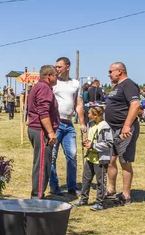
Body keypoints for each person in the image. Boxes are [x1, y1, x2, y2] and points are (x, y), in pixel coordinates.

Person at [49, 57, 86, 197]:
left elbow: (79, 104)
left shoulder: (75, 83)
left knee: (72, 155)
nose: (57, 69)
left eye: (59, 67)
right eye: (56, 66)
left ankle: (72, 186)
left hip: (69, 125)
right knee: (52, 156)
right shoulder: (53, 83)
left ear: (67, 67)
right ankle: (54, 186)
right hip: (55, 124)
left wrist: (82, 123)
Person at [105, 62, 141, 205]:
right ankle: (111, 189)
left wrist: (126, 126)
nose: (109, 74)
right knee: (110, 159)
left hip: (124, 129)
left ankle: (126, 195)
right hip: (112, 128)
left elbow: (135, 104)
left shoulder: (129, 85)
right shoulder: (117, 86)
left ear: (119, 71)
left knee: (124, 161)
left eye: (110, 71)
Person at [27, 65, 59, 199]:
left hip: (39, 129)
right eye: (56, 75)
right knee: (41, 164)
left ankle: (39, 194)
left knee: (44, 163)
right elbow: (43, 112)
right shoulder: (44, 88)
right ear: (49, 76)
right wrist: (51, 132)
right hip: (41, 130)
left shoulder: (40, 87)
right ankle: (37, 197)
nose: (57, 77)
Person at [75, 106, 113, 211]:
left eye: (89, 113)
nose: (88, 115)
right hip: (90, 158)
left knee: (100, 181)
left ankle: (99, 202)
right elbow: (91, 138)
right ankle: (83, 199)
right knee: (86, 179)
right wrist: (86, 142)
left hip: (100, 159)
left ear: (95, 115)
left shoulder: (105, 126)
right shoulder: (91, 124)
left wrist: (94, 146)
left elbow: (109, 143)